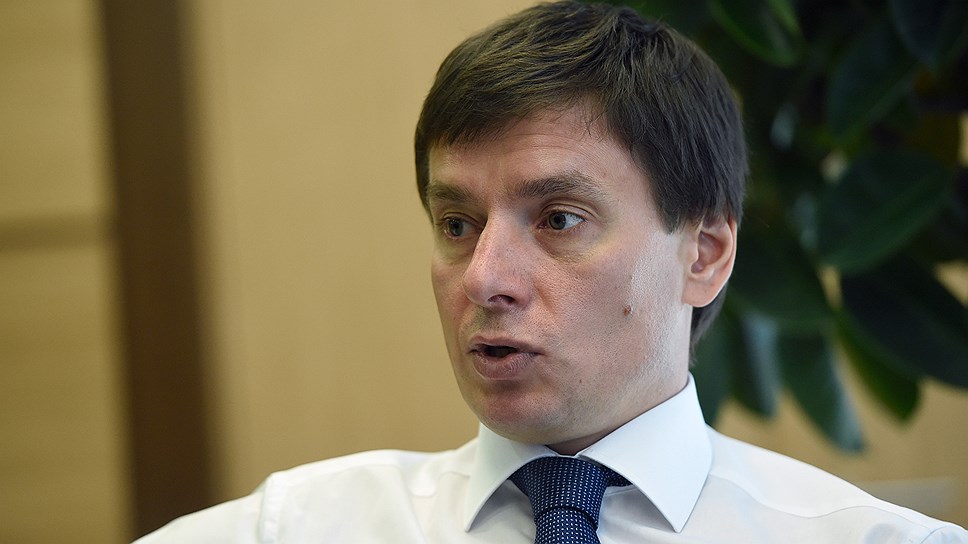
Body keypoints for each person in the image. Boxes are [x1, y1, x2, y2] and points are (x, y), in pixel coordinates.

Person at [135, 2, 968, 542]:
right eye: (457, 224)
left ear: (705, 253)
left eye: (559, 219)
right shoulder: (291, 529)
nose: (484, 278)